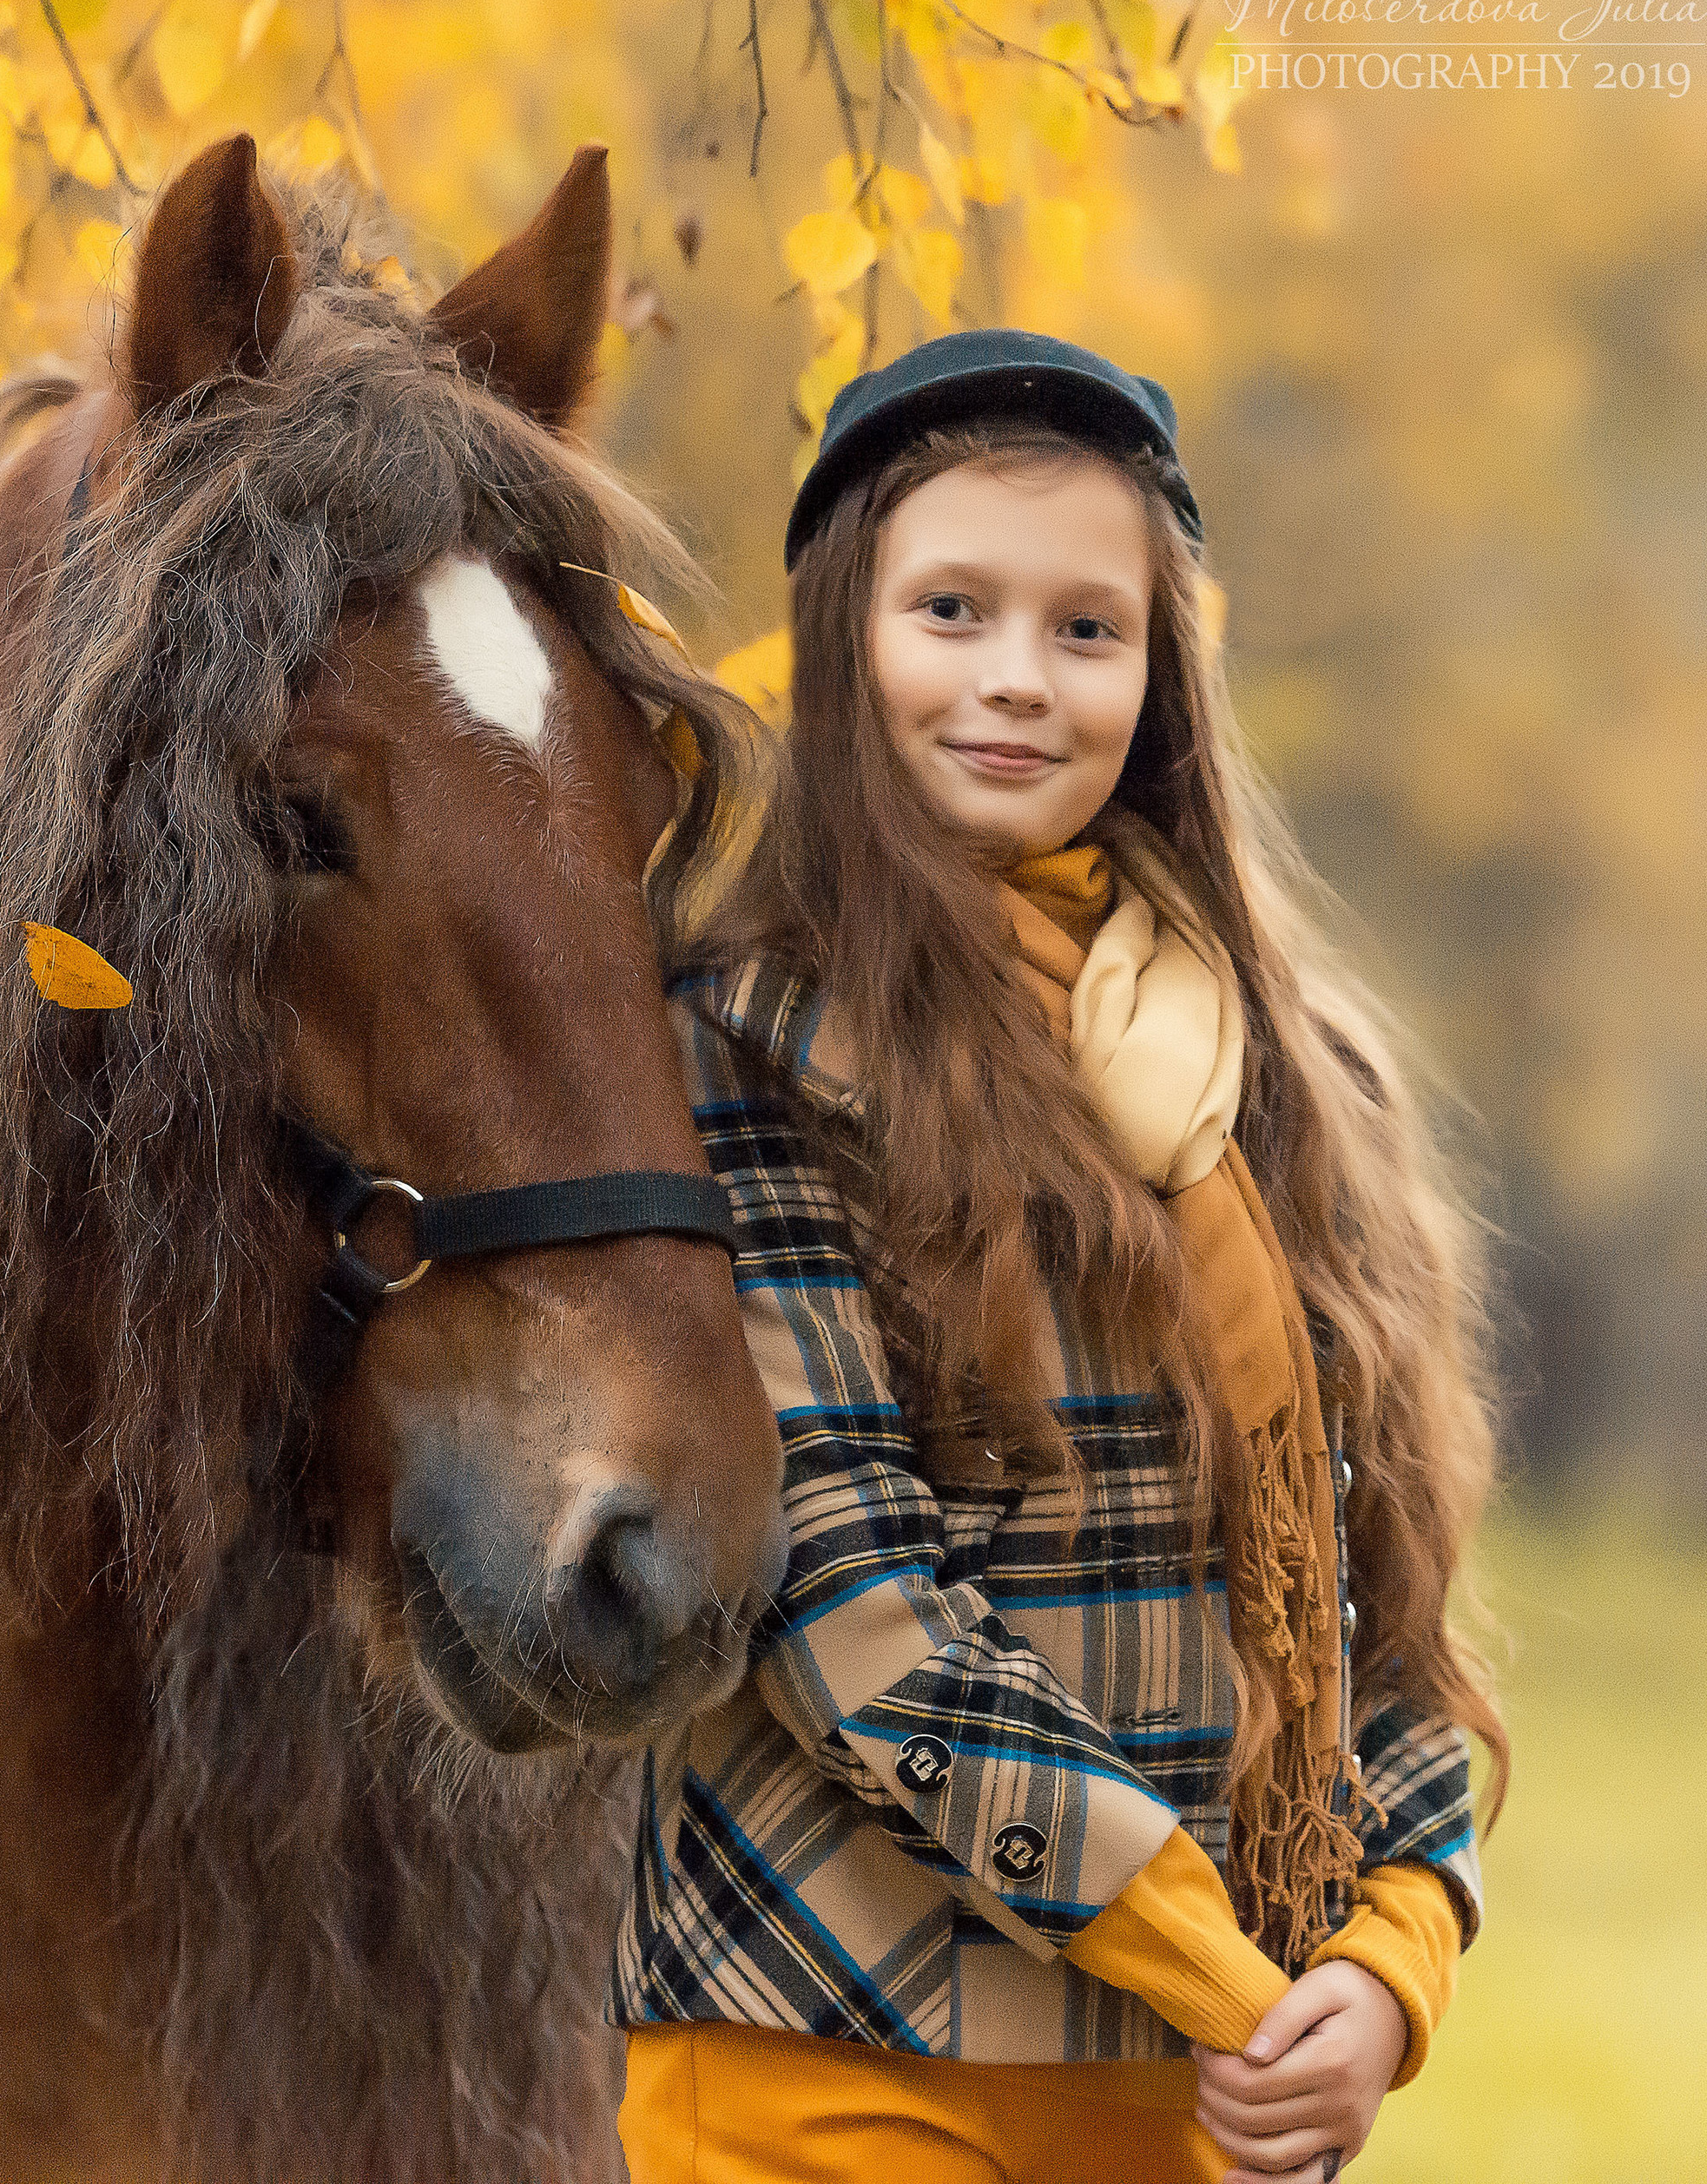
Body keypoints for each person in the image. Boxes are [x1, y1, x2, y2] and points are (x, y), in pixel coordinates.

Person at [610, 329, 1508, 2184]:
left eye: (1084, 629)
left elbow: (1384, 1570)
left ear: (1160, 669)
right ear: (846, 640)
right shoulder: (742, 1038)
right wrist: (1223, 1963)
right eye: (951, 608)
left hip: (1200, 2081)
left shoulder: (1285, 1068)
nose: (1016, 678)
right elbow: (843, 1595)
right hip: (820, 2049)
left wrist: (1384, 1952)